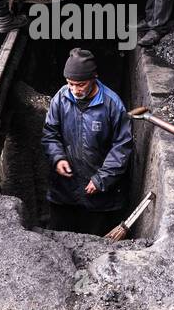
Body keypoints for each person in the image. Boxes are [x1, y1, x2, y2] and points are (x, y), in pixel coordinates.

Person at [41, 48, 134, 237]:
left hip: (100, 195)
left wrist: (102, 179)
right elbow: (50, 133)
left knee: (94, 240)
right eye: (70, 84)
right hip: (65, 190)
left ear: (94, 77)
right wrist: (58, 158)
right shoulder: (61, 97)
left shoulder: (112, 104)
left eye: (81, 84)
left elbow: (122, 147)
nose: (75, 90)